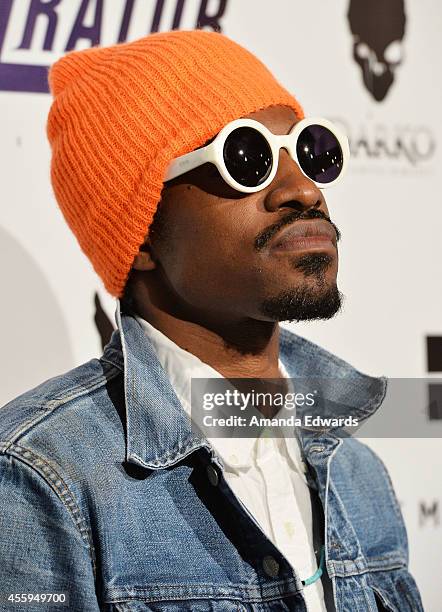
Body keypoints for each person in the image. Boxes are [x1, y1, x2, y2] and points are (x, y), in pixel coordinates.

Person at [0, 30, 423, 612]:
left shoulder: (356, 471)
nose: (303, 190)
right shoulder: (43, 478)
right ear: (142, 233)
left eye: (309, 151)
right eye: (245, 157)